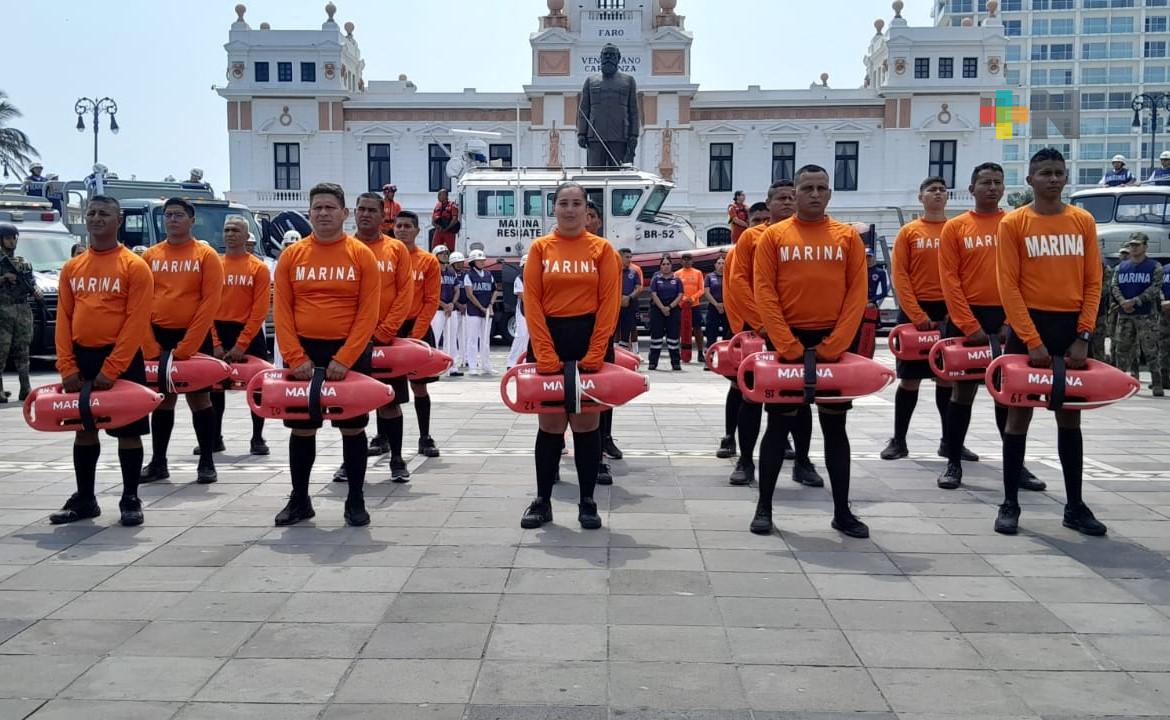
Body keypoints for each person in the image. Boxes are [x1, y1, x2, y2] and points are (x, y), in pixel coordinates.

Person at [751, 164, 869, 538]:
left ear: (830, 193)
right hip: (786, 342)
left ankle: (842, 512)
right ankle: (764, 508)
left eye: (821, 188)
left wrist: (837, 343)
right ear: (796, 193)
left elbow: (857, 293)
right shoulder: (774, 237)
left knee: (835, 427)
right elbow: (764, 290)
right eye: (807, 188)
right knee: (778, 424)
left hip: (834, 341)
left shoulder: (847, 237)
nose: (815, 194)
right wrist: (785, 343)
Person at [995, 148, 1105, 536]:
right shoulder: (1014, 223)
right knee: (1018, 416)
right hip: (1030, 327)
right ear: (1030, 180)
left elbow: (1093, 281)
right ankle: (1010, 503)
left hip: (1070, 329)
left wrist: (1084, 335)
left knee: (1069, 417)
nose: (1053, 179)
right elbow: (1008, 286)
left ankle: (1075, 506)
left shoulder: (1082, 221)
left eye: (1059, 172)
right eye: (1045, 173)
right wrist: (1030, 339)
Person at [273, 183, 380, 527]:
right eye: (317, 207)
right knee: (302, 429)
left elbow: (368, 313)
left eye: (330, 207)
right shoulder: (292, 256)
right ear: (309, 212)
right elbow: (282, 311)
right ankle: (300, 500)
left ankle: (355, 499)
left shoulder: (361, 255)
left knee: (353, 429)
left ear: (344, 213)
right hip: (303, 352)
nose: (323, 213)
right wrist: (295, 357)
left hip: (349, 353)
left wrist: (345, 358)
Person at [936, 163, 1045, 491]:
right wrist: (969, 325)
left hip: (1009, 318)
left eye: (998, 182)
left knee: (1008, 394)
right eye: (985, 182)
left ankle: (1016, 466)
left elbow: (1027, 278)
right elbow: (950, 281)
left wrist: (1012, 323)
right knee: (962, 392)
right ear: (972, 189)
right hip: (967, 319)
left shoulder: (1015, 224)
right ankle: (953, 462)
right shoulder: (956, 227)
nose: (992, 187)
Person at [518, 181, 620, 529]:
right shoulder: (540, 248)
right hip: (549, 337)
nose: (570, 209)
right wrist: (544, 350)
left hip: (590, 337)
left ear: (586, 209)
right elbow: (532, 302)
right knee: (550, 424)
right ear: (554, 208)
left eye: (577, 203)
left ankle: (587, 502)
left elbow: (609, 302)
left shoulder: (602, 250)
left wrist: (597, 350)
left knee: (586, 424)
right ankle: (542, 501)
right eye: (564, 203)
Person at [49, 195, 155, 526]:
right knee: (84, 430)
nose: (96, 218)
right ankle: (85, 500)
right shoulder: (73, 267)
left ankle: (130, 498)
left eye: (104, 214)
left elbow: (136, 322)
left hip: (123, 360)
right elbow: (64, 319)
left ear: (118, 220)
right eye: (92, 213)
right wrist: (67, 366)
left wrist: (113, 369)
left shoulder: (134, 266)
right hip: (82, 359)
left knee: (128, 433)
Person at [883, 177, 975, 463]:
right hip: (915, 312)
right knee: (909, 380)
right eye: (931, 190)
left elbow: (964, 274)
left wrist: (956, 312)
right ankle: (899, 441)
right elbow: (900, 276)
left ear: (947, 197)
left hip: (950, 310)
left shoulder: (957, 229)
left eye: (941, 190)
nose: (937, 193)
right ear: (921, 197)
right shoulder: (909, 232)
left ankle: (951, 443)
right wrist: (917, 315)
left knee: (947, 379)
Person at [723, 189, 807, 484]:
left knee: (799, 395)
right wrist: (758, 324)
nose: (787, 202)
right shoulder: (751, 238)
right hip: (759, 328)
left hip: (796, 328)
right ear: (769, 204)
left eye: (791, 197)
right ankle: (745, 460)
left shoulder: (808, 237)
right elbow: (737, 284)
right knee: (750, 393)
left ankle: (803, 461)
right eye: (781, 198)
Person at [139, 198, 224, 485]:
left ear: (191, 220)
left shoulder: (206, 255)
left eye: (178, 215)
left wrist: (189, 345)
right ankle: (158, 462)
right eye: (168, 215)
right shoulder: (150, 256)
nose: (172, 220)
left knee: (200, 399)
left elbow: (210, 303)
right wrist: (149, 343)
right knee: (163, 400)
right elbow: (139, 302)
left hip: (194, 337)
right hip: (158, 336)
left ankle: (207, 461)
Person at [347, 193, 414, 479]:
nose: (365, 214)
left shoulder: (395, 249)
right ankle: (350, 462)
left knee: (390, 402)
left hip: (386, 338)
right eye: (361, 209)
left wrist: (386, 331)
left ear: (382, 215)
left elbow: (404, 293)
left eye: (371, 210)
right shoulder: (343, 248)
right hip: (350, 341)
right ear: (353, 213)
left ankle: (397, 459)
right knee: (353, 404)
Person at [202, 215, 272, 457]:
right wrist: (215, 342)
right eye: (227, 230)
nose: (230, 234)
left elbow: (259, 310)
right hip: (218, 329)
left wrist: (242, 344)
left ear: (246, 236)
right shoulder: (215, 266)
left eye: (235, 230)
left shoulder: (258, 268)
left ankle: (257, 437)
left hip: (248, 331)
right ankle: (214, 437)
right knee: (214, 387)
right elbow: (206, 306)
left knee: (258, 386)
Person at [395, 211, 443, 458]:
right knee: (387, 387)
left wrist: (416, 334)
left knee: (419, 386)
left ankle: (425, 436)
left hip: (418, 327)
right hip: (390, 328)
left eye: (407, 226)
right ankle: (383, 437)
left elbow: (431, 300)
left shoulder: (427, 261)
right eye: (399, 226)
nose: (402, 230)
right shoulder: (386, 258)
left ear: (417, 230)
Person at [585, 201, 623, 475]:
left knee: (601, 395)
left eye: (591, 215)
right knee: (560, 394)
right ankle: (557, 446)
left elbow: (611, 299)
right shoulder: (551, 249)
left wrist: (604, 335)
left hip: (600, 334)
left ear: (599, 221)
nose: (585, 220)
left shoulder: (607, 253)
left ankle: (600, 449)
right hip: (567, 334)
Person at [1111, 231, 1164, 396]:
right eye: (1132, 245)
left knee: (1150, 350)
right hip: (1125, 315)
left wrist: (1135, 301)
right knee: (1121, 350)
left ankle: (1157, 383)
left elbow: (1155, 288)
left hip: (1146, 315)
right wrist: (1122, 302)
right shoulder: (1121, 268)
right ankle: (1118, 384)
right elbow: (1114, 287)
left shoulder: (1154, 267)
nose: (1133, 248)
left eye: (1137, 245)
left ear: (1145, 247)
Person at [576, 43, 640, 167]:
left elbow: (633, 111)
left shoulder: (628, 81)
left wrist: (634, 135)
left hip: (620, 136)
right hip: (595, 136)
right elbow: (584, 110)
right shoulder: (590, 81)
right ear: (600, 58)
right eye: (605, 55)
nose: (608, 57)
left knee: (619, 173)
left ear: (618, 58)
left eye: (612, 55)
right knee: (595, 173)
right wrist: (581, 133)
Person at [0, 223, 36, 402]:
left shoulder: (23, 263)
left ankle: (25, 387)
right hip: (3, 311)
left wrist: (36, 290)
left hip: (22, 310)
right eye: (8, 238)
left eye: (14, 238)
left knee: (23, 350)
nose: (12, 241)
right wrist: (3, 278)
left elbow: (31, 281)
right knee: (2, 350)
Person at [462, 249, 497, 376]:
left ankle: (486, 365)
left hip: (487, 310)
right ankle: (472, 366)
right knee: (472, 339)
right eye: (479, 260)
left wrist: (491, 304)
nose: (482, 262)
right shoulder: (469, 275)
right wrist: (481, 307)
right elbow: (469, 295)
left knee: (485, 339)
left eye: (483, 260)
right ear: (473, 262)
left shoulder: (488, 274)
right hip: (474, 311)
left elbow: (495, 290)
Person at [647, 255, 683, 371]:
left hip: (673, 310)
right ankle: (653, 362)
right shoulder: (656, 279)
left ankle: (676, 363)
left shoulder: (677, 280)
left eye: (668, 264)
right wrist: (662, 308)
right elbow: (654, 294)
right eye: (663, 264)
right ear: (660, 266)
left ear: (671, 266)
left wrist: (670, 307)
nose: (666, 266)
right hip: (658, 310)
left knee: (673, 338)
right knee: (656, 337)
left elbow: (680, 294)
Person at [677, 252, 706, 362]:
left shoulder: (698, 273)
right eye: (684, 259)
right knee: (680, 329)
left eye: (688, 259)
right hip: (681, 305)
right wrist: (684, 298)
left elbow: (701, 289)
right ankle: (680, 352)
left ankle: (700, 352)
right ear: (681, 261)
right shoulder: (677, 274)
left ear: (692, 261)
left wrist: (692, 298)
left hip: (694, 305)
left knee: (697, 329)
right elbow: (676, 289)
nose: (686, 261)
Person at [505, 254, 530, 369]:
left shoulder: (537, 277)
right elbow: (521, 295)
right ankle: (511, 362)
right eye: (526, 265)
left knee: (530, 338)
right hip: (523, 311)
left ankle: (525, 361)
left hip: (534, 311)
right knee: (521, 335)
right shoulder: (519, 279)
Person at [617, 248, 643, 351]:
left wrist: (629, 297)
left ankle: (633, 352)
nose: (629, 259)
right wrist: (619, 298)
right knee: (614, 330)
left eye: (630, 257)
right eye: (627, 257)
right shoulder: (613, 271)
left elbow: (638, 288)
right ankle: (614, 352)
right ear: (620, 257)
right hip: (615, 304)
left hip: (630, 304)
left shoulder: (634, 272)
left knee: (629, 329)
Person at [703, 255, 729, 359]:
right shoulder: (709, 276)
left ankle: (725, 359)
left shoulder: (729, 276)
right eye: (719, 263)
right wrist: (717, 304)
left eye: (723, 263)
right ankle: (709, 359)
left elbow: (732, 291)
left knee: (727, 334)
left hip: (727, 308)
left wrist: (724, 304)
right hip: (713, 307)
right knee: (711, 334)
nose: (721, 265)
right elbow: (706, 292)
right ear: (715, 265)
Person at [450, 251, 469, 373]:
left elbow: (469, 291)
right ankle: (454, 360)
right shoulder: (451, 275)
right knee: (453, 336)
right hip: (454, 309)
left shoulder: (465, 275)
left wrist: (466, 305)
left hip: (465, 309)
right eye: (457, 263)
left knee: (464, 335)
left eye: (461, 262)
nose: (460, 264)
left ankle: (464, 358)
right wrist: (458, 305)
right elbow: (450, 292)